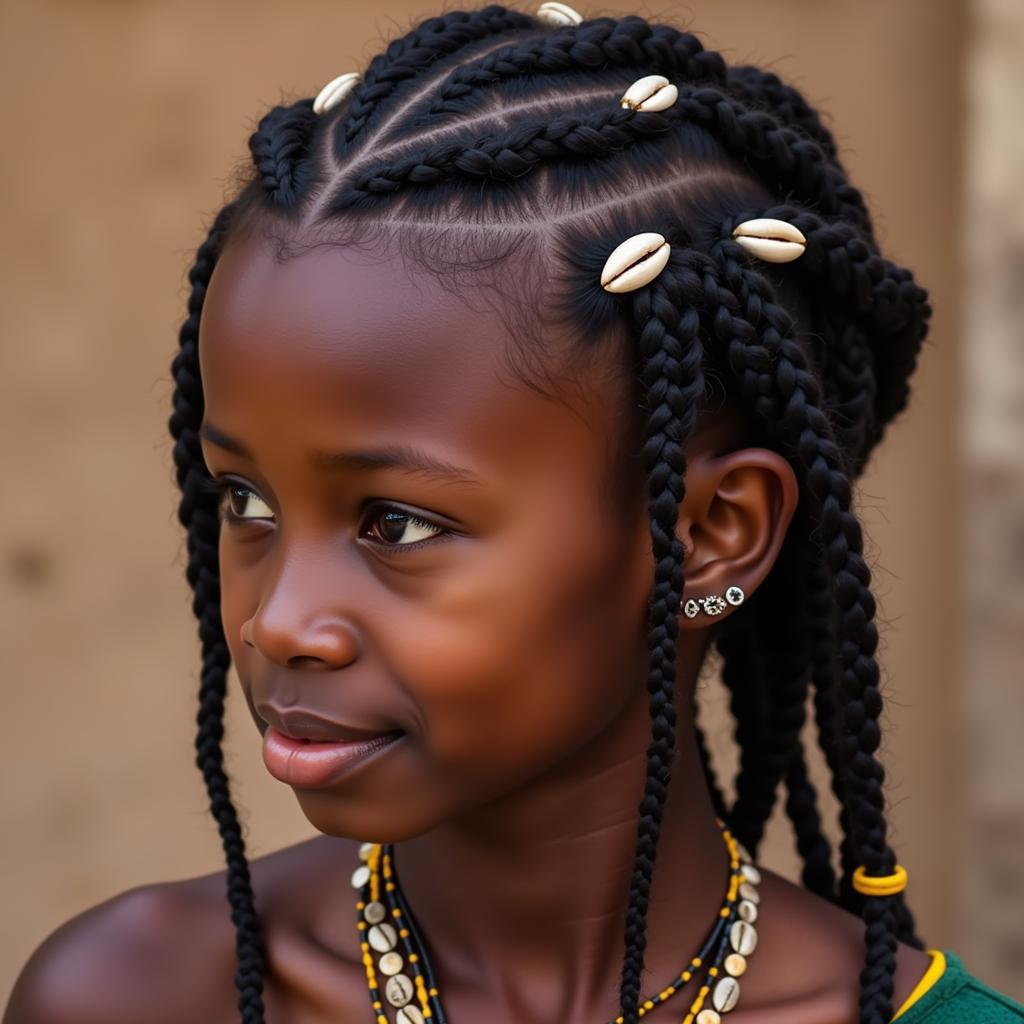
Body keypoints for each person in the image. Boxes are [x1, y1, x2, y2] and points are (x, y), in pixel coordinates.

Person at [6, 5, 1024, 1024]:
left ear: (714, 528)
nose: (276, 622)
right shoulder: (134, 997)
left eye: (395, 524)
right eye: (245, 501)